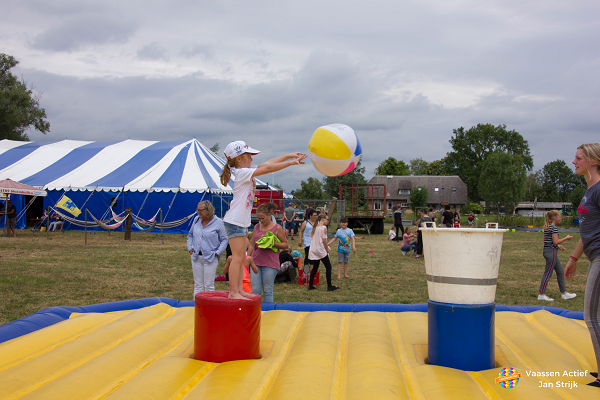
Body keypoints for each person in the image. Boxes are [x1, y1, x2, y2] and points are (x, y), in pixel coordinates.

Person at [219, 140, 306, 300]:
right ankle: (234, 292)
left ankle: (238, 290)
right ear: (239, 159)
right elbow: (268, 168)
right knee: (237, 259)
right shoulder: (242, 172)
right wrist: (291, 163)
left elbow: (268, 163)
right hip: (235, 221)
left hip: (239, 222)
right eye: (249, 156)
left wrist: (289, 155)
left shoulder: (244, 170)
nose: (252, 159)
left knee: (241, 258)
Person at [564, 143, 600, 388]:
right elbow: (586, 233)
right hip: (593, 256)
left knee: (591, 317)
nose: (574, 162)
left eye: (578, 158)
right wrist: (574, 259)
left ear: (593, 160)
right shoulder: (589, 191)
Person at [187, 201, 229, 297]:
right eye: (198, 210)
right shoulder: (196, 220)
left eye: (201, 210)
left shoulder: (218, 222)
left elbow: (224, 240)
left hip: (210, 258)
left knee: (209, 285)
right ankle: (197, 307)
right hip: (196, 257)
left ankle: (210, 308)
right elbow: (190, 235)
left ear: (208, 210)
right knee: (198, 285)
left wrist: (217, 253)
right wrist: (190, 247)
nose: (198, 212)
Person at [248, 204, 288, 302]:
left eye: (263, 218)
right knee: (255, 290)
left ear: (269, 215)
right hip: (255, 262)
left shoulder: (277, 228)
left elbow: (285, 244)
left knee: (267, 290)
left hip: (270, 263)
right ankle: (256, 312)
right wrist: (247, 258)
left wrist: (273, 244)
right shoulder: (257, 227)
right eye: (259, 218)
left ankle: (268, 313)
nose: (261, 220)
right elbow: (252, 245)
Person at [538, 210, 575, 301]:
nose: (560, 218)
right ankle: (541, 294)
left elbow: (547, 241)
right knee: (548, 273)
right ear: (554, 217)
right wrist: (566, 238)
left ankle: (564, 293)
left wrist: (557, 246)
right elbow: (555, 241)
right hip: (551, 252)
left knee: (560, 271)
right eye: (559, 216)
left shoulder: (548, 227)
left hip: (549, 250)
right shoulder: (553, 228)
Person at [308, 214, 339, 291]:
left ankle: (310, 285)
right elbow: (324, 240)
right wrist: (326, 249)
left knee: (315, 267)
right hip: (320, 250)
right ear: (322, 219)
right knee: (328, 267)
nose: (328, 221)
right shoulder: (323, 227)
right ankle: (329, 286)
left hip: (313, 250)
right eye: (327, 219)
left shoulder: (315, 227)